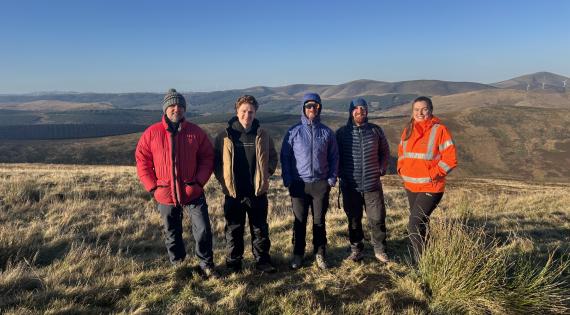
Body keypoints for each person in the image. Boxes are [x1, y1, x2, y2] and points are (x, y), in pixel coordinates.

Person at [135, 88, 217, 277]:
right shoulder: (152, 133)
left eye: (180, 105)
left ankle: (206, 264)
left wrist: (198, 182)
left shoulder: (195, 132)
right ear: (165, 109)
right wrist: (153, 187)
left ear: (184, 109)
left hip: (192, 191)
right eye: (172, 105)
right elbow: (142, 160)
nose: (176, 109)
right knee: (172, 233)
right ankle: (178, 265)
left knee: (203, 229)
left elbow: (207, 158)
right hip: (165, 192)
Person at [214, 95, 278, 273]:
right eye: (243, 111)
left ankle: (263, 261)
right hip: (234, 193)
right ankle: (234, 264)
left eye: (251, 111)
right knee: (234, 230)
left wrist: (267, 174)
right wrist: (223, 180)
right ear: (237, 111)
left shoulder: (262, 135)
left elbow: (273, 156)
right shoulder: (225, 136)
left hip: (257, 192)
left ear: (255, 112)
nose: (247, 115)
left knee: (260, 229)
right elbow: (216, 162)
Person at [281, 92, 339, 270]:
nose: (311, 109)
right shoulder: (294, 132)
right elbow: (285, 157)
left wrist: (331, 178)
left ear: (319, 108)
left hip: (320, 184)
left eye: (315, 106)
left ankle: (320, 253)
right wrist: (288, 180)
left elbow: (334, 157)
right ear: (303, 108)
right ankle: (298, 254)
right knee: (299, 221)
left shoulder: (327, 132)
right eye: (308, 106)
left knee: (319, 221)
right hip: (299, 184)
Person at [397, 96, 457, 257]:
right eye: (416, 109)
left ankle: (421, 264)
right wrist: (401, 169)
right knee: (421, 224)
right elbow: (402, 153)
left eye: (424, 109)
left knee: (414, 225)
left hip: (431, 186)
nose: (420, 113)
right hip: (411, 185)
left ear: (431, 110)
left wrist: (433, 174)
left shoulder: (439, 130)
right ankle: (429, 256)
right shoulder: (408, 129)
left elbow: (450, 160)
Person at [336, 97, 390, 263]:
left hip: (372, 184)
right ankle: (356, 249)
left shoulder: (376, 131)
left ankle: (380, 249)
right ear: (351, 111)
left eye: (363, 108)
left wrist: (382, 168)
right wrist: (340, 173)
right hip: (350, 186)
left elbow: (385, 152)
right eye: (356, 108)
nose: (360, 111)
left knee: (377, 218)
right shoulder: (341, 133)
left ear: (367, 111)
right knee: (353, 219)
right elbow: (335, 156)